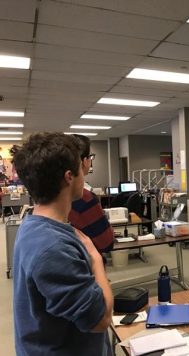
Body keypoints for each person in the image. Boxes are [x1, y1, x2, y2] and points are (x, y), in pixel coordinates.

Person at [11, 133, 113, 355]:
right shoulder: (52, 248)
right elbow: (100, 318)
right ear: (69, 177)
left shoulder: (32, 225)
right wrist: (95, 259)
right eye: (80, 167)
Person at [68, 134, 114, 254]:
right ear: (84, 161)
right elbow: (107, 243)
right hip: (86, 263)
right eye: (90, 157)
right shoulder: (84, 198)